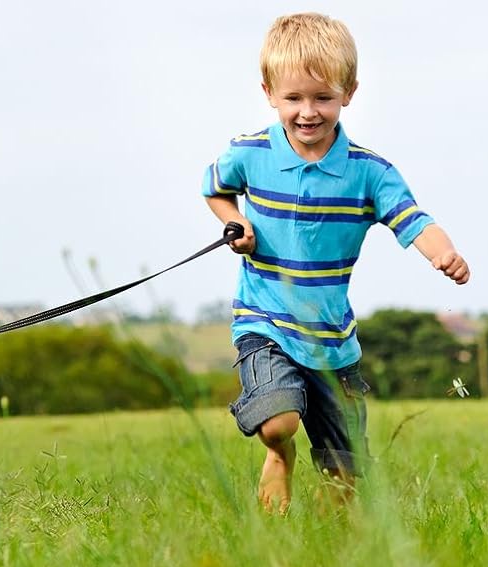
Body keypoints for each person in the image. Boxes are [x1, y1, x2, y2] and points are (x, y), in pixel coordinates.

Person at [201, 12, 470, 513]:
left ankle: (329, 543)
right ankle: (279, 454)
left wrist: (444, 253)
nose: (308, 112)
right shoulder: (249, 153)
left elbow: (414, 219)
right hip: (264, 320)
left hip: (331, 339)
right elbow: (214, 188)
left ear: (349, 92)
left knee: (343, 475)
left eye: (322, 97)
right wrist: (236, 221)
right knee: (277, 422)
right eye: (293, 98)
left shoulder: (369, 173)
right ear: (269, 93)